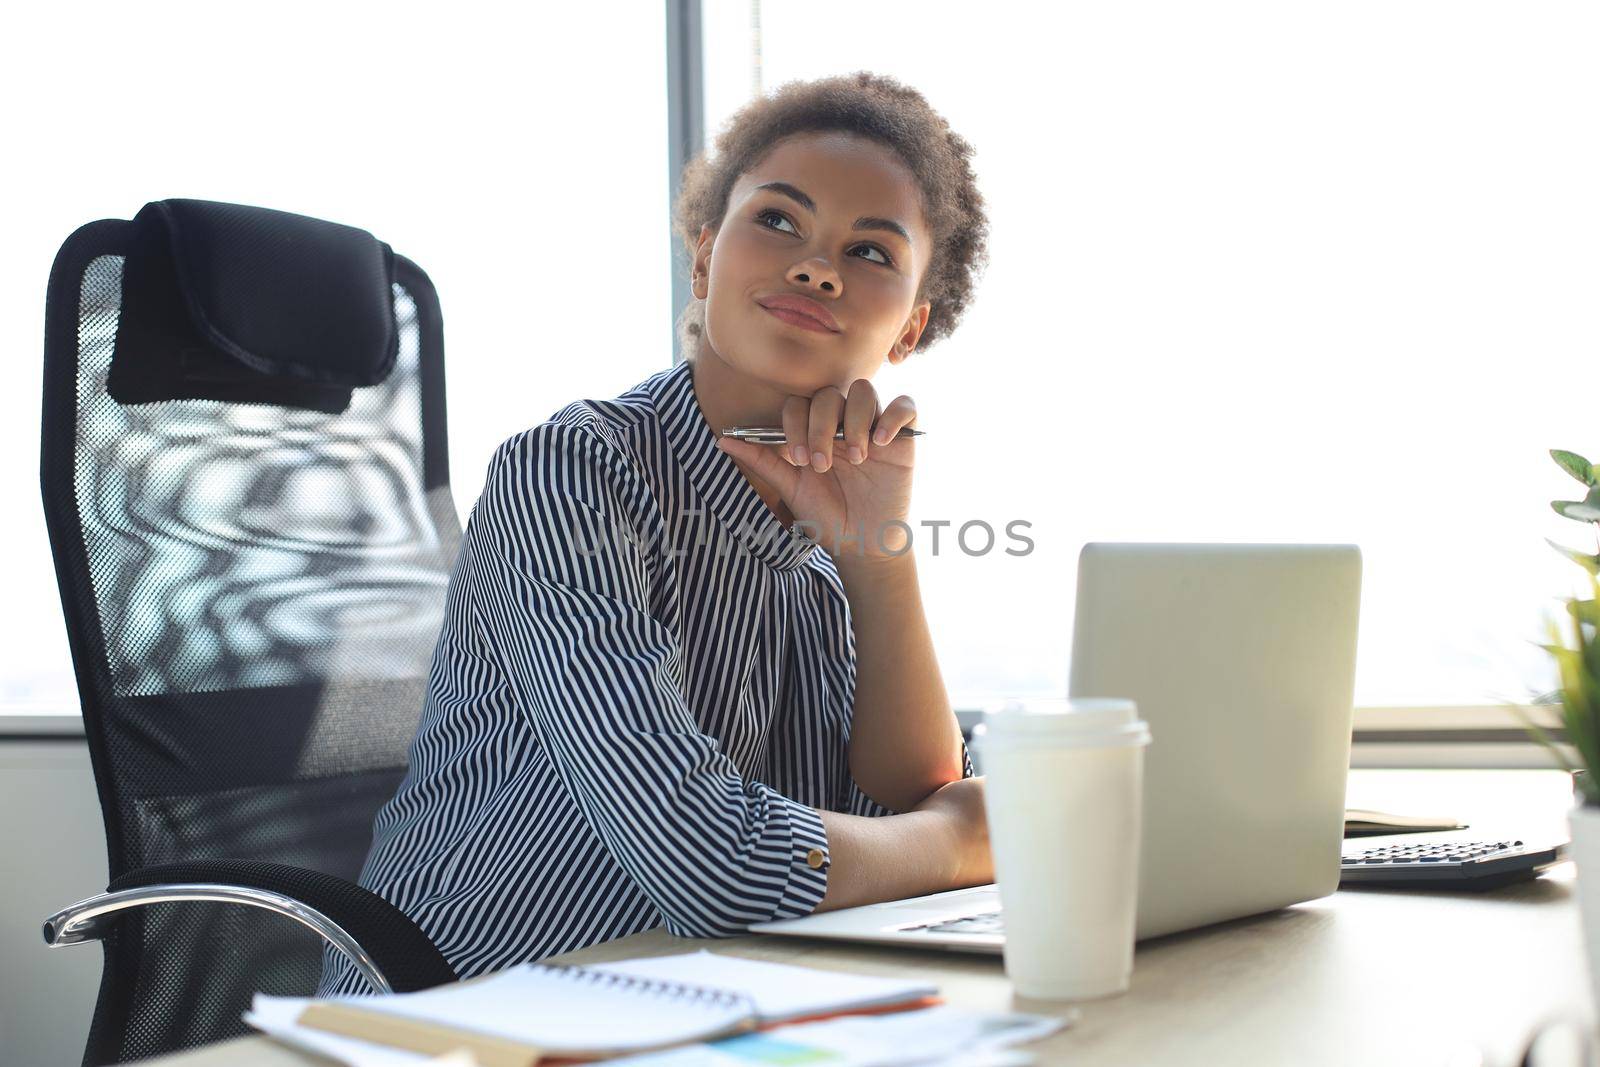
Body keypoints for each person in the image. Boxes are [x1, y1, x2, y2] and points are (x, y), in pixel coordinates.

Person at [318, 70, 994, 994]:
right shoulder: (569, 472)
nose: (816, 266)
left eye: (870, 251)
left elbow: (908, 802)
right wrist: (960, 839)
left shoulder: (831, 514)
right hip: (474, 1010)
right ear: (706, 257)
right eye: (780, 222)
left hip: (701, 1002)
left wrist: (878, 553)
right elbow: (716, 864)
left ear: (910, 328)